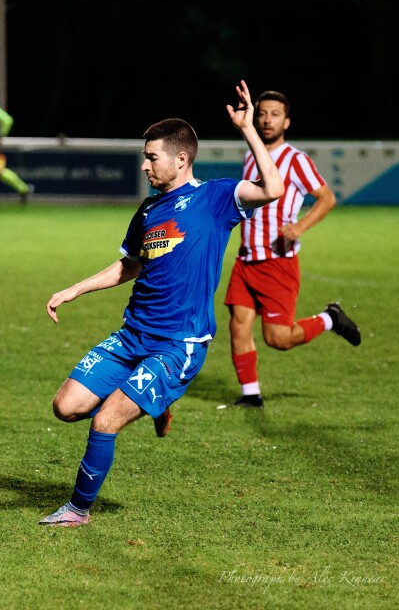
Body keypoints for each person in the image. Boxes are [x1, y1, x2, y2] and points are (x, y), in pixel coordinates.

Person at [39, 81, 285, 527]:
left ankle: (78, 510)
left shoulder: (216, 199)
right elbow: (129, 265)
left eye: (152, 157)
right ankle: (154, 401)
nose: (145, 164)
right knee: (65, 407)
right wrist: (74, 289)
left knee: (105, 422)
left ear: (181, 159)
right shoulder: (150, 210)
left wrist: (249, 129)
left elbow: (272, 188)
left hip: (178, 343)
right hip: (133, 336)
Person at [223, 90, 361, 408]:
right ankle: (250, 394)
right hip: (246, 260)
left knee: (278, 339)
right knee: (238, 323)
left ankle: (330, 318)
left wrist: (299, 227)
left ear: (286, 121)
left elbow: (327, 198)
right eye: (262, 113)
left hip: (277, 262)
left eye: (274, 114)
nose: (267, 119)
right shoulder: (251, 155)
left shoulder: (296, 160)